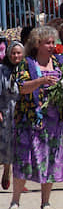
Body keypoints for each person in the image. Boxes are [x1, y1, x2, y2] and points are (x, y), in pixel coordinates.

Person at [9, 27, 63, 209]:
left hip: (54, 122)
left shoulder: (60, 63)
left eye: (53, 42)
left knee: (50, 160)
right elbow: (21, 87)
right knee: (24, 160)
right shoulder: (27, 64)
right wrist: (41, 81)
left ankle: (45, 202)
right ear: (37, 44)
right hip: (30, 120)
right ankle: (15, 201)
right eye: (48, 43)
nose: (52, 46)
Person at [0, 42, 23, 192]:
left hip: (24, 111)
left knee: (22, 145)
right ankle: (7, 168)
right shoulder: (2, 70)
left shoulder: (27, 68)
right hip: (7, 110)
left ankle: (19, 179)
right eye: (13, 53)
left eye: (18, 53)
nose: (16, 56)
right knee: (7, 144)